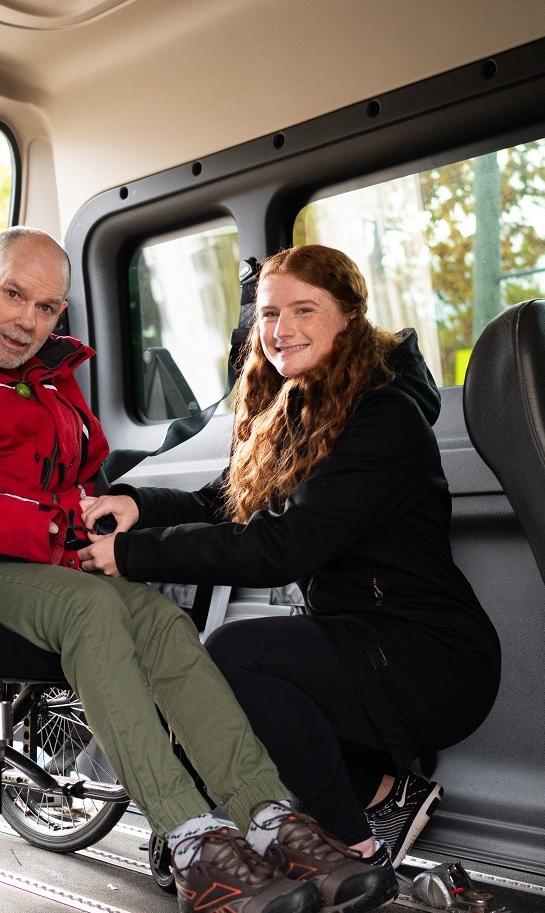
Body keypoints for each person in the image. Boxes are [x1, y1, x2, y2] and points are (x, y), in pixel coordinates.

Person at [0, 227, 394, 913]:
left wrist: (99, 519)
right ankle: (194, 845)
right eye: (13, 294)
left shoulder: (49, 376)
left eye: (50, 308)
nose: (29, 320)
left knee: (157, 617)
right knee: (92, 608)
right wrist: (27, 524)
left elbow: (75, 481)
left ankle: (271, 819)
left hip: (38, 567)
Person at [78, 244, 502, 870]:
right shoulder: (303, 406)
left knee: (233, 655)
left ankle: (350, 849)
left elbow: (283, 547)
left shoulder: (384, 419)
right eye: (270, 314)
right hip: (364, 643)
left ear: (350, 319)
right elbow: (230, 504)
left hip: (431, 657)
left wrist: (136, 555)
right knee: (228, 694)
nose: (281, 330)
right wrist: (140, 505)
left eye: (304, 310)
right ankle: (386, 792)